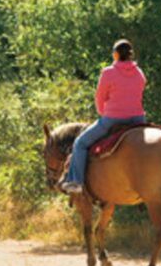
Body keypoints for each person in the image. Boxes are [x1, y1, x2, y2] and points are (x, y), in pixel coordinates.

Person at [60, 39, 147, 195]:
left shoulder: (108, 72)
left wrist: (102, 113)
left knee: (80, 143)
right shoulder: (139, 73)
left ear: (115, 54)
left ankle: (75, 182)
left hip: (113, 119)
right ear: (130, 55)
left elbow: (99, 96)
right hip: (138, 120)